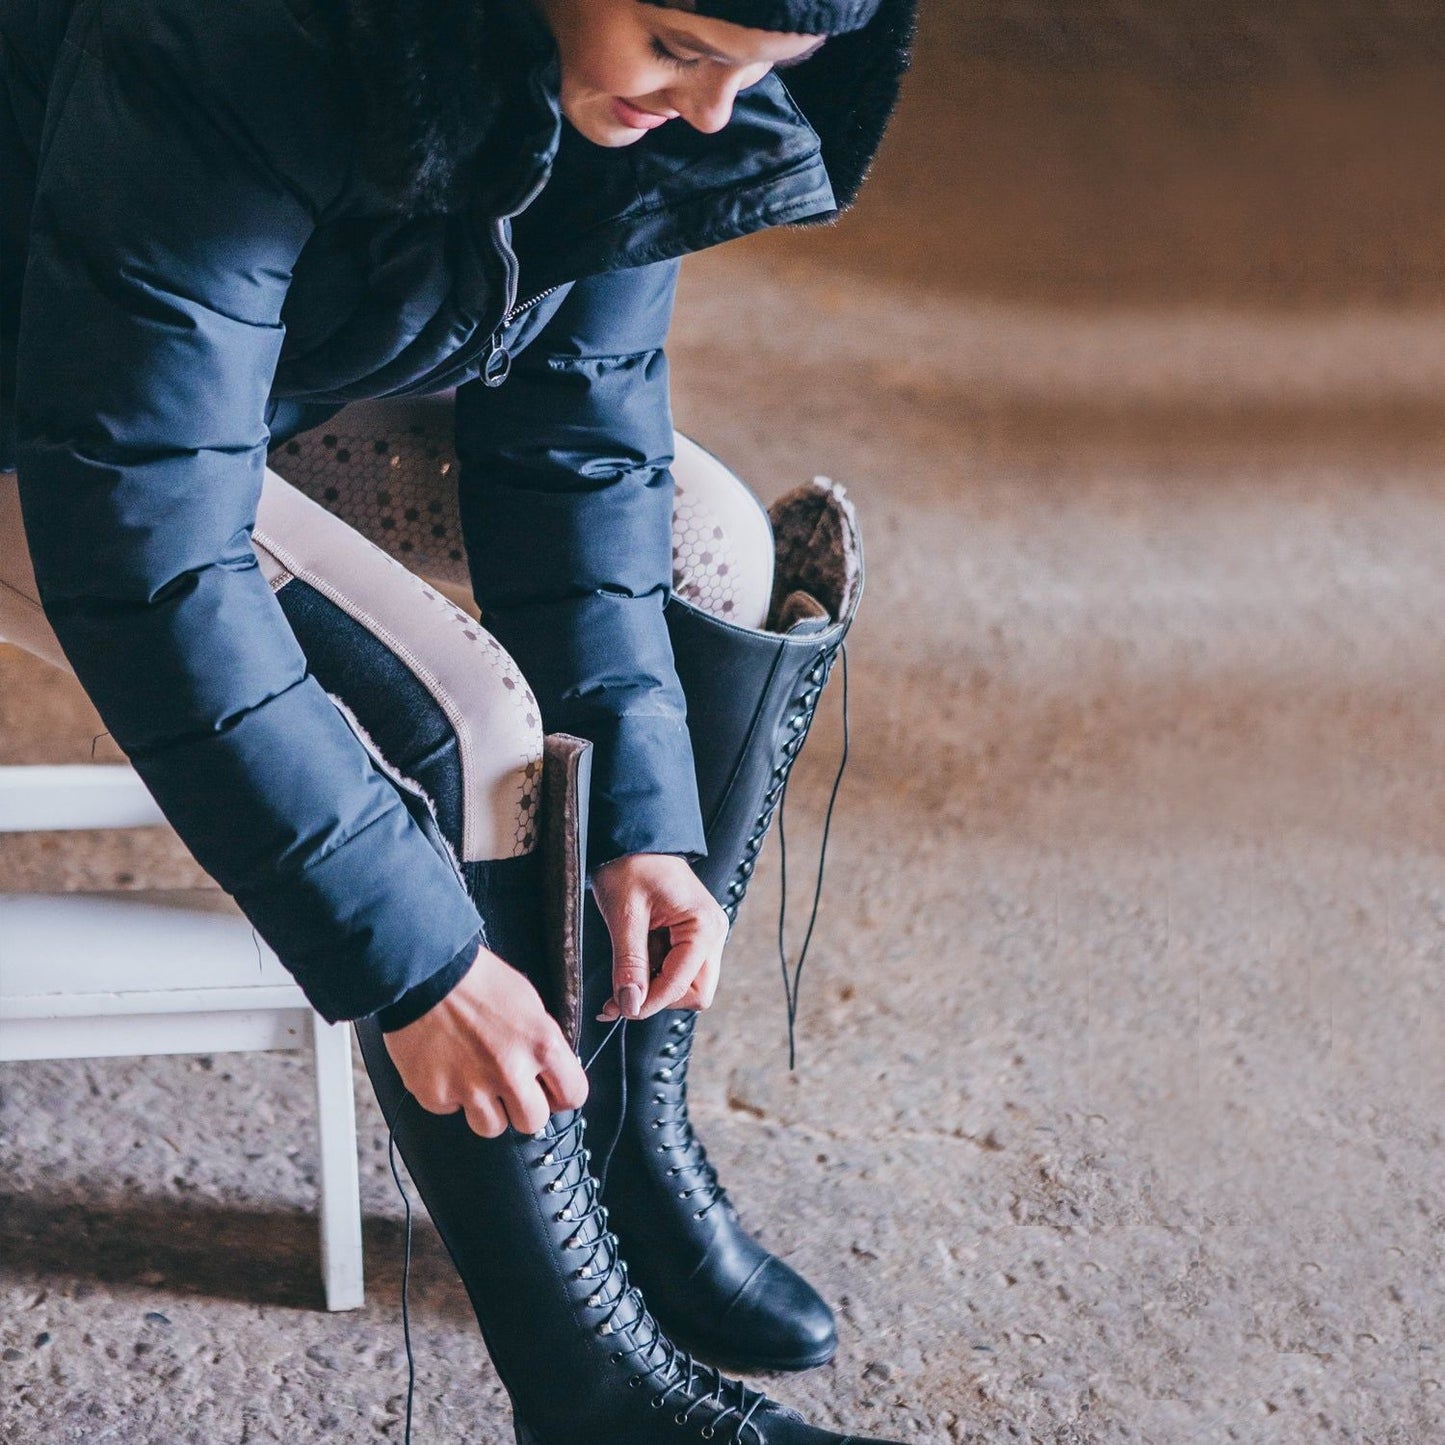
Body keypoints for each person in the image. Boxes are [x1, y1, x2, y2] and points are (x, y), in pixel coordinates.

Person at [1, 0, 916, 1438]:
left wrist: (643, 826)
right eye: (679, 47)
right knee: (470, 710)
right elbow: (145, 541)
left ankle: (617, 1130)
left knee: (714, 550)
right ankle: (593, 1385)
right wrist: (418, 964)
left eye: (756, 76)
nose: (711, 115)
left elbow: (577, 421)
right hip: (49, 390)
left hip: (262, 351)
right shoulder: (231, 31)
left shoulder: (637, 84)